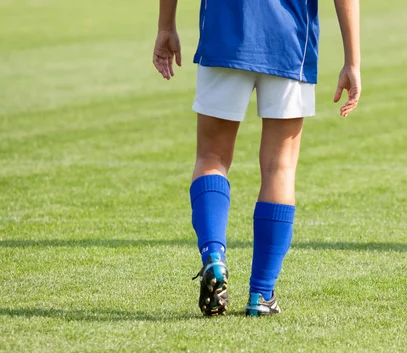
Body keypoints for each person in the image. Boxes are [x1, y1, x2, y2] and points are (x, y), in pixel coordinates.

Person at [153, 0, 361, 317]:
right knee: (280, 166)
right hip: (290, 40)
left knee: (212, 155)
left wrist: (166, 26)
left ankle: (214, 255)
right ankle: (261, 294)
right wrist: (352, 61)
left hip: (224, 33)